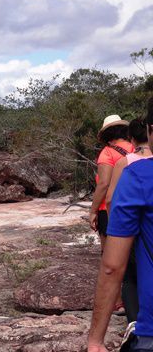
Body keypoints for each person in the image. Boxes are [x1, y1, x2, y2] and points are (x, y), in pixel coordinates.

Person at [88, 100, 153, 351]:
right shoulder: (131, 149)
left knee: (123, 266)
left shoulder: (111, 156)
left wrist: (94, 210)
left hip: (118, 212)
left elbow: (111, 267)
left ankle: (127, 312)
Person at [104, 118, 153, 325]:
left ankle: (134, 323)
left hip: (131, 226)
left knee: (129, 275)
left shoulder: (124, 162)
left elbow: (110, 197)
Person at [89, 115, 133, 252]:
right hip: (133, 205)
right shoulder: (136, 148)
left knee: (109, 251)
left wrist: (92, 211)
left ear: (106, 134)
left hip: (110, 209)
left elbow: (103, 184)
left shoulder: (107, 153)